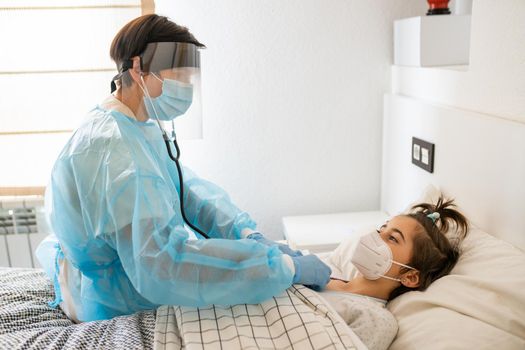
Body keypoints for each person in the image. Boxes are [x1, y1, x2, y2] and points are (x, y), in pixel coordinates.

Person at [35, 14, 331, 323]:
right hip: (113, 299)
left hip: (128, 276)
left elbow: (183, 190)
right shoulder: (113, 148)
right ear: (138, 69)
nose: (187, 88)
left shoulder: (135, 124)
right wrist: (280, 268)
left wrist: (246, 233)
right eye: (180, 77)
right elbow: (162, 265)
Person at [318, 195, 469, 350]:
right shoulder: (322, 275)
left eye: (393, 238)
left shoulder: (376, 320)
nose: (376, 236)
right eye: (382, 228)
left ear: (410, 276)